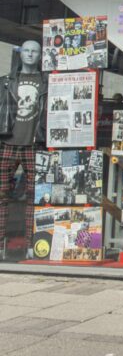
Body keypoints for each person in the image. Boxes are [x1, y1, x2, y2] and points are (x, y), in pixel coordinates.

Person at [0, 40, 48, 250]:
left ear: (40, 55)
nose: (30, 54)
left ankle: (32, 244)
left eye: (35, 51)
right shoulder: (6, 81)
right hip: (7, 143)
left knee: (35, 196)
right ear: (20, 54)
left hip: (34, 144)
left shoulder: (47, 82)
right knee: (1, 195)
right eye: (26, 50)